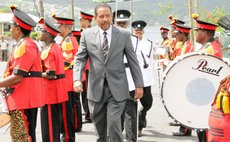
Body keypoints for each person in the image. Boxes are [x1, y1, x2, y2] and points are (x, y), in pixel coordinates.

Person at [73, 3, 144, 142]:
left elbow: (133, 60)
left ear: (112, 17)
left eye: (108, 16)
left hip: (117, 88)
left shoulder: (123, 35)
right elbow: (80, 58)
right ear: (95, 18)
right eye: (101, 16)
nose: (105, 19)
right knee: (100, 131)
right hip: (96, 89)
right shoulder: (87, 34)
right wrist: (77, 79)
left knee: (113, 125)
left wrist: (139, 84)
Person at [0, 5, 44, 142]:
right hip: (22, 97)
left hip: (23, 97)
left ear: (18, 29)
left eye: (11, 27)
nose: (10, 30)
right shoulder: (24, 44)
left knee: (23, 136)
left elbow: (18, 76)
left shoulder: (25, 45)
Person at [193, 14, 222, 142]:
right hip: (204, 91)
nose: (195, 34)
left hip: (207, 93)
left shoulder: (210, 49)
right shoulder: (207, 47)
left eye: (197, 31)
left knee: (204, 126)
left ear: (204, 33)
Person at [38, 17, 68, 142]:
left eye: (41, 31)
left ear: (48, 35)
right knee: (54, 124)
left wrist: (34, 74)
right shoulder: (54, 47)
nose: (40, 33)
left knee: (49, 127)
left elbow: (51, 73)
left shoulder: (49, 50)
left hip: (50, 93)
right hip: (56, 91)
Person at [114, 9, 139, 142]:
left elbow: (137, 62)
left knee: (130, 112)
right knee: (115, 112)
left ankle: (131, 139)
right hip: (114, 78)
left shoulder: (134, 39)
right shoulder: (108, 38)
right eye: (119, 23)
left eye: (124, 23)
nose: (121, 25)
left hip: (129, 77)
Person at [53, 14, 78, 142]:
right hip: (67, 81)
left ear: (65, 26)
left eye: (59, 25)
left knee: (66, 113)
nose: (57, 28)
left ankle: (68, 138)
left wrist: (52, 69)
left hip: (67, 82)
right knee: (66, 112)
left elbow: (66, 63)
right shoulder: (67, 40)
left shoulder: (68, 42)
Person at [131, 20, 155, 137]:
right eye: (136, 31)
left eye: (140, 31)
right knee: (132, 105)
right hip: (132, 79)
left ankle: (143, 114)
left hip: (145, 78)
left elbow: (150, 62)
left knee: (148, 103)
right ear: (133, 31)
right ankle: (138, 128)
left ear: (143, 32)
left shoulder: (149, 43)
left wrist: (151, 79)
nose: (138, 32)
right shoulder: (128, 42)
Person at [172, 24, 193, 137]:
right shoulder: (185, 44)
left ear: (183, 35)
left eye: (178, 33)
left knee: (185, 103)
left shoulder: (187, 46)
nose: (176, 35)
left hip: (186, 77)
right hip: (185, 76)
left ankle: (185, 129)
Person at [79, 11, 94, 123]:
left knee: (87, 91)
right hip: (85, 67)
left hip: (89, 66)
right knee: (84, 91)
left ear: (87, 21)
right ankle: (87, 112)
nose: (80, 22)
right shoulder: (83, 32)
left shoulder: (90, 33)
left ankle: (89, 114)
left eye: (81, 20)